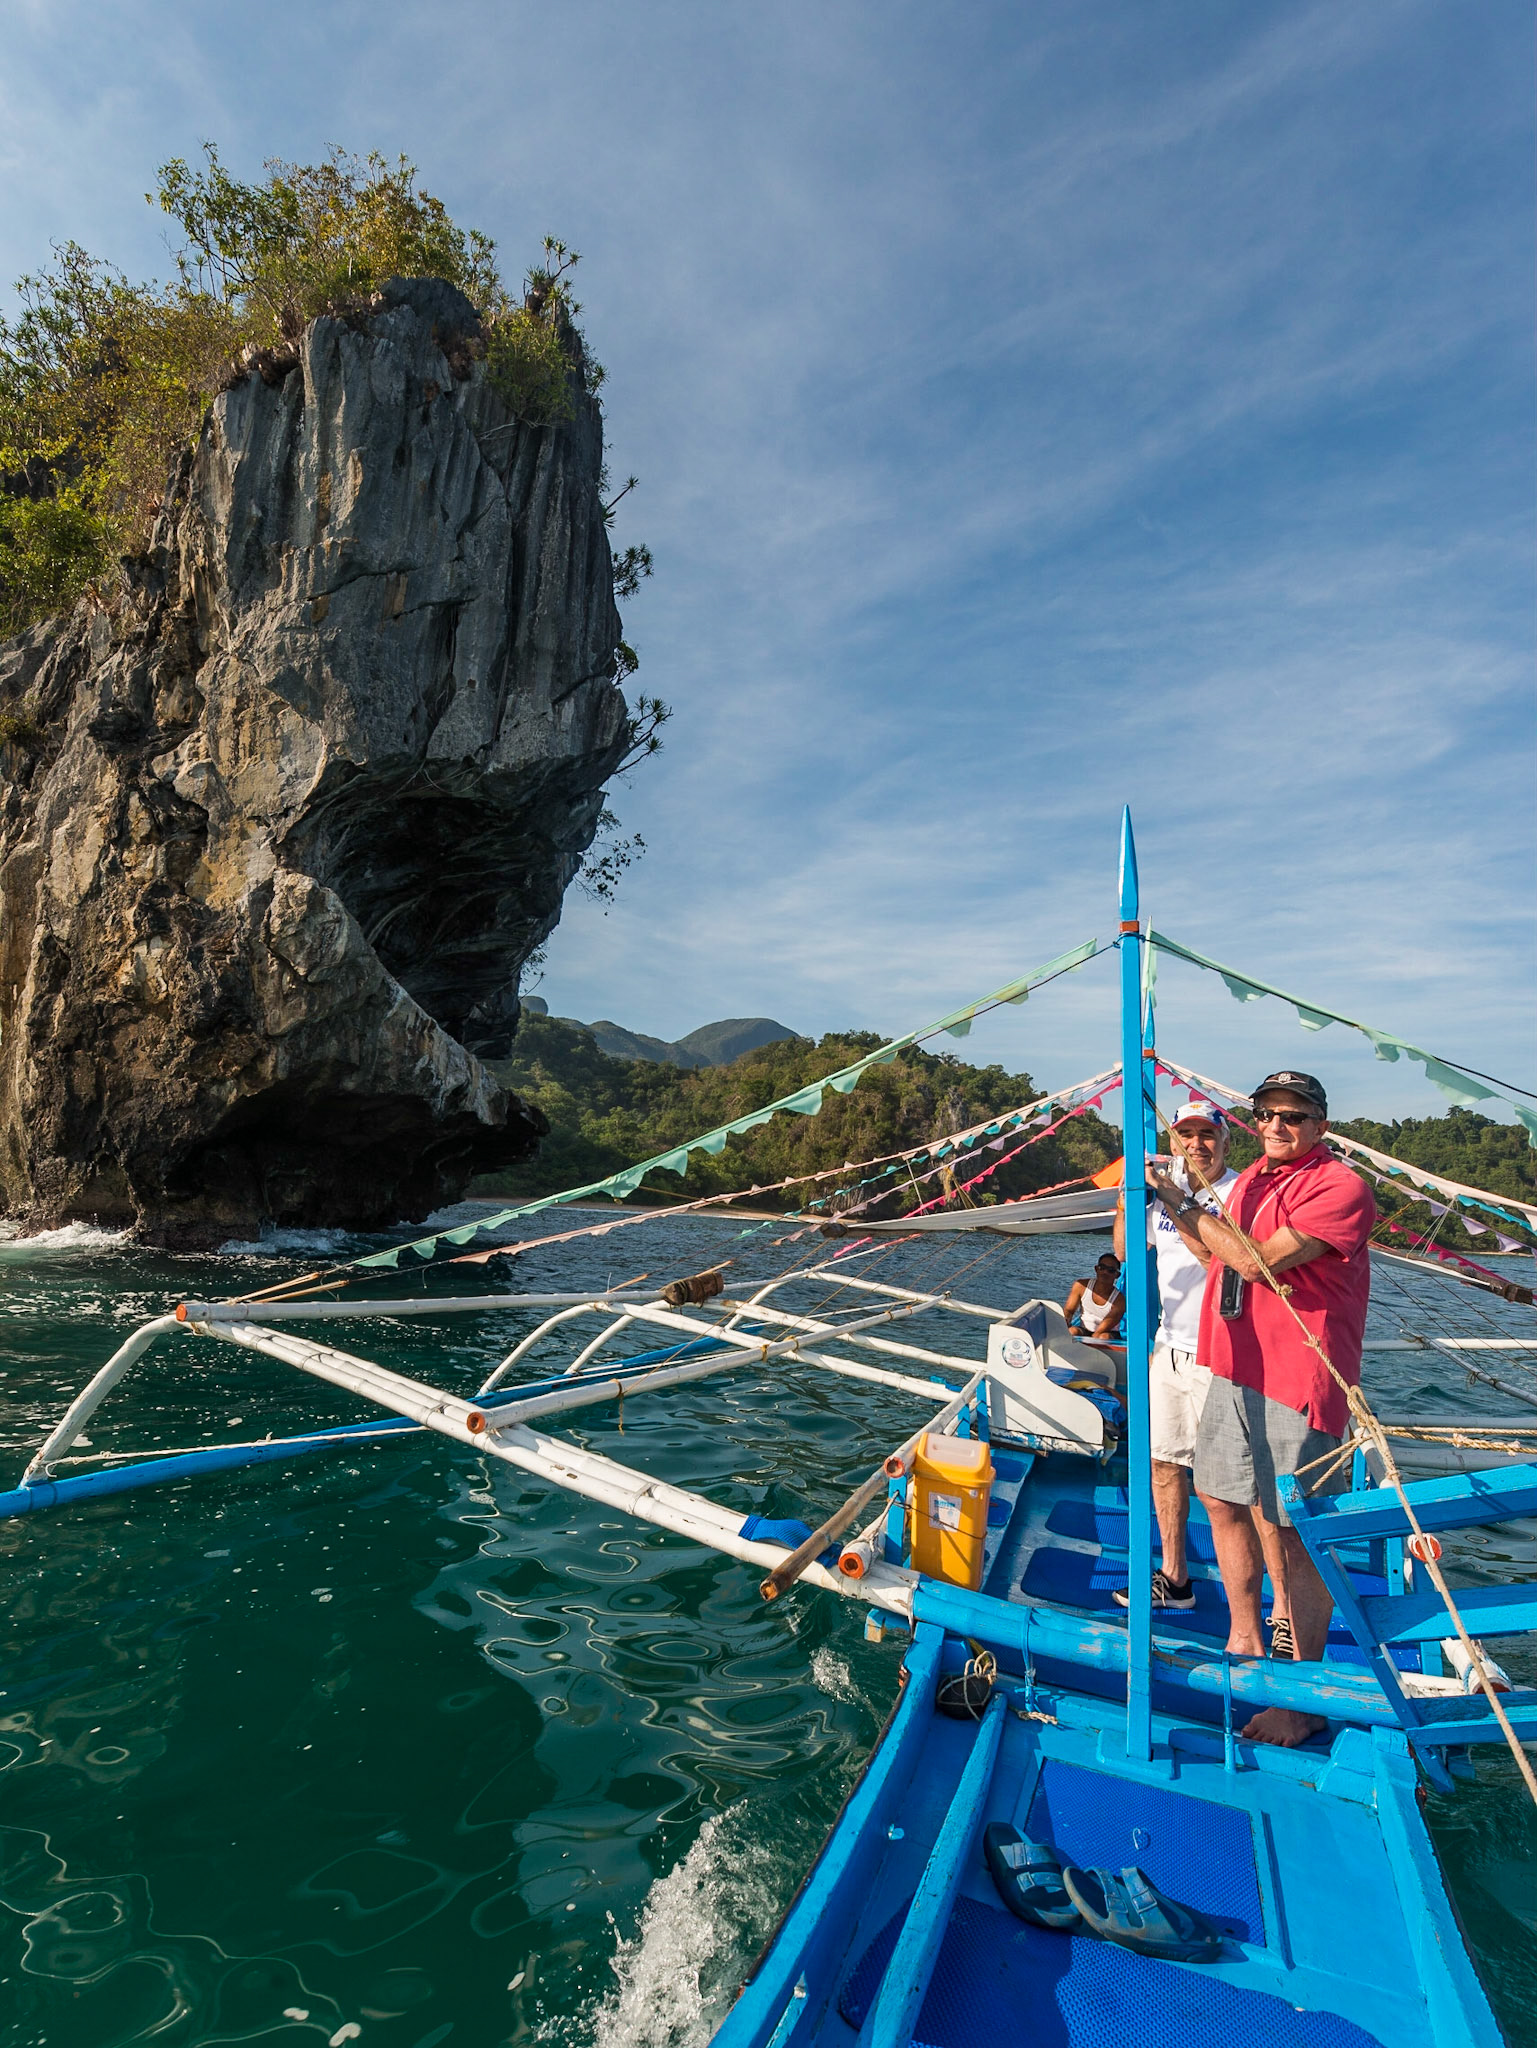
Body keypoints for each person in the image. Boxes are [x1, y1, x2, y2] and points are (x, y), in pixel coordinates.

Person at [1150, 1070, 1375, 1749]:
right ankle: (1243, 1635)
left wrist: (1180, 1202)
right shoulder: (1249, 1182)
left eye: (1294, 1116)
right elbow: (1205, 1248)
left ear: (1320, 1125)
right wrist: (1168, 1200)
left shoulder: (1340, 1188)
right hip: (1232, 1366)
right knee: (1220, 1498)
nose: (1278, 1126)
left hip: (1296, 1379)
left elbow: (1253, 1264)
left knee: (1291, 1530)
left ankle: (1298, 1697)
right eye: (1267, 1115)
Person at [1110, 1102, 1256, 1613]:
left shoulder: (1241, 1193)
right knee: (1164, 1463)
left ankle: (1275, 1609)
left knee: (1235, 1485)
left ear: (1226, 1142)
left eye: (1207, 1134)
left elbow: (1218, 1261)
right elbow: (1127, 1252)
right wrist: (1129, 1194)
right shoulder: (1158, 1193)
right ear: (1173, 1142)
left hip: (1226, 1354)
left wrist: (1175, 1198)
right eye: (1186, 1134)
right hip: (1170, 1347)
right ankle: (1176, 1577)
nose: (1197, 1145)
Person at [1064, 1253, 1125, 1341]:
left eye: (1110, 1270)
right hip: (1085, 1329)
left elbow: (1101, 1330)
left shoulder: (1119, 1300)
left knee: (1103, 1337)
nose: (1105, 1272)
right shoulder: (1080, 1286)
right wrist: (1064, 1325)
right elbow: (1069, 1311)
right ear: (1096, 1269)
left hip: (1107, 1332)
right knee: (1072, 1331)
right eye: (1102, 1268)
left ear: (1117, 1275)